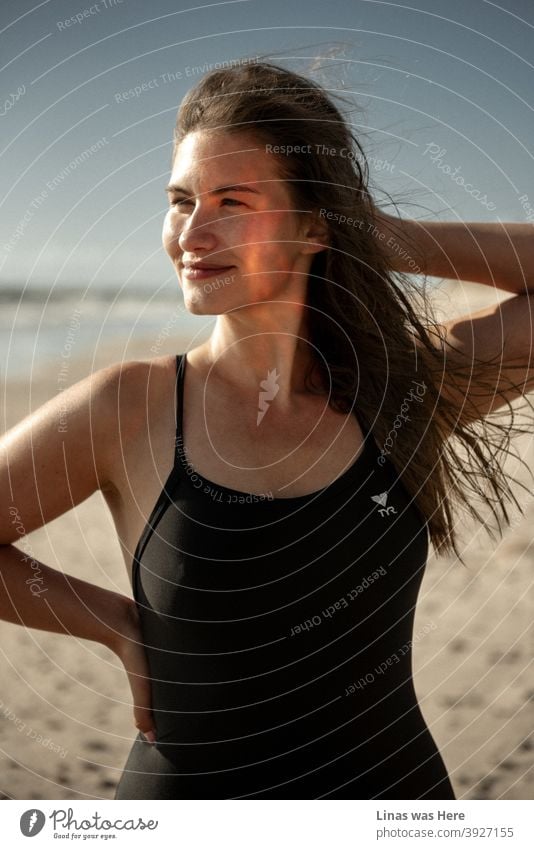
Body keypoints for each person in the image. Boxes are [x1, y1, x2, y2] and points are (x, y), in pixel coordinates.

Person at [1, 60, 533, 800]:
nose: (192, 231)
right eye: (180, 199)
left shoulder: (405, 394)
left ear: (314, 226)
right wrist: (116, 624)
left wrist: (380, 234)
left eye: (232, 201)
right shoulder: (131, 407)